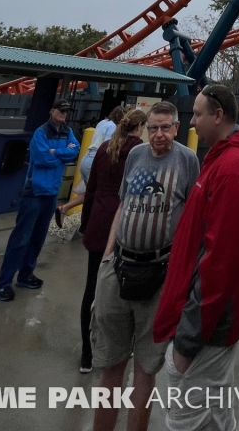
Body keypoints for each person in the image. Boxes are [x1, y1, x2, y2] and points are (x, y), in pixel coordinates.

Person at [154, 85, 239, 431]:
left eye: (198, 114)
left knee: (186, 419)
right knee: (215, 413)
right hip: (206, 317)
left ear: (218, 116)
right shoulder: (219, 156)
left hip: (207, 324)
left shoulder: (231, 168)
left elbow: (220, 261)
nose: (192, 121)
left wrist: (187, 340)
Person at [90, 102, 199, 431]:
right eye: (153, 128)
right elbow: (124, 204)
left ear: (177, 128)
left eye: (166, 128)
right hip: (119, 264)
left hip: (159, 272)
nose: (159, 134)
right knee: (110, 364)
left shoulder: (187, 160)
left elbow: (193, 217)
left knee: (145, 369)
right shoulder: (136, 155)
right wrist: (107, 258)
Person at [77, 109, 147, 373]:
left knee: (91, 287)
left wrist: (85, 224)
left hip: (98, 220)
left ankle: (86, 352)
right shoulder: (138, 150)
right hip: (121, 224)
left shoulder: (105, 147)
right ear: (139, 127)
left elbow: (91, 188)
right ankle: (116, 348)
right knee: (120, 290)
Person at [0, 98, 80, 302]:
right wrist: (61, 154)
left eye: (66, 111)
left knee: (39, 236)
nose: (64, 114)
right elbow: (42, 158)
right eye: (60, 110)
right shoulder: (41, 132)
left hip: (51, 193)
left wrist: (55, 152)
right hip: (34, 191)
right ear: (52, 110)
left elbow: (74, 151)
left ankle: (26, 274)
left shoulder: (68, 131)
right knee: (21, 238)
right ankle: (3, 283)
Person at [57, 105, 126, 226]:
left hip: (86, 158)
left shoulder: (103, 122)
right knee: (98, 194)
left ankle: (65, 208)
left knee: (90, 193)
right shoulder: (113, 127)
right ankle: (90, 222)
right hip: (96, 160)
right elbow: (109, 146)